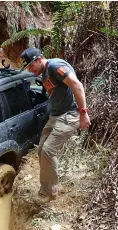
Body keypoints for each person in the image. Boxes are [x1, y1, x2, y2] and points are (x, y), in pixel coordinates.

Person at [20, 47, 91, 203]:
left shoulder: (55, 66)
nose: (31, 70)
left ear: (39, 59)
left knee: (48, 150)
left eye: (32, 66)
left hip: (70, 113)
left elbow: (77, 85)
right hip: (56, 115)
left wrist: (83, 113)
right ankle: (48, 186)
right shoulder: (44, 72)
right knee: (41, 151)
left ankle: (50, 190)